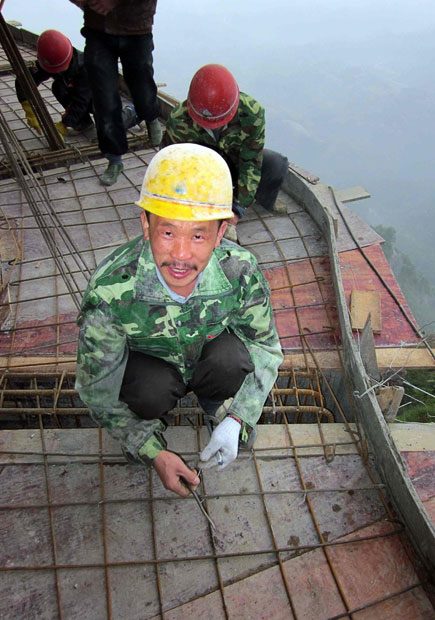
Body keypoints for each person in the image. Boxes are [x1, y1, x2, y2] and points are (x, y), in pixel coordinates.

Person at [75, 143, 283, 497]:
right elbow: (96, 389)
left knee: (233, 360)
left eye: (199, 235)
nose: (182, 255)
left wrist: (239, 418)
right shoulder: (111, 290)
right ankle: (150, 429)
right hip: (152, 370)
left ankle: (217, 408)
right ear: (146, 224)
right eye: (168, 232)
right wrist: (151, 452)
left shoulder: (240, 271)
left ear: (220, 233)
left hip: (211, 359)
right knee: (145, 393)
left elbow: (265, 346)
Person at [164, 64, 289, 239]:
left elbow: (251, 161)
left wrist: (236, 211)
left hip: (234, 162)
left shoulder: (252, 113)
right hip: (202, 169)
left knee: (275, 164)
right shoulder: (178, 120)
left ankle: (261, 202)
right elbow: (174, 169)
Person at [70, 0, 163, 186]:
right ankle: (114, 159)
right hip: (98, 27)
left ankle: (150, 116)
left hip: (136, 25)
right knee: (104, 99)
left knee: (142, 88)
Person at [17, 29, 94, 137]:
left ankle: (119, 119)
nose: (57, 72)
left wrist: (64, 124)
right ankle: (83, 123)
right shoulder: (51, 58)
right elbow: (24, 80)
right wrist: (28, 108)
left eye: (60, 69)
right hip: (81, 93)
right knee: (58, 87)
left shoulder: (85, 67)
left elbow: (81, 102)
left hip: (100, 97)